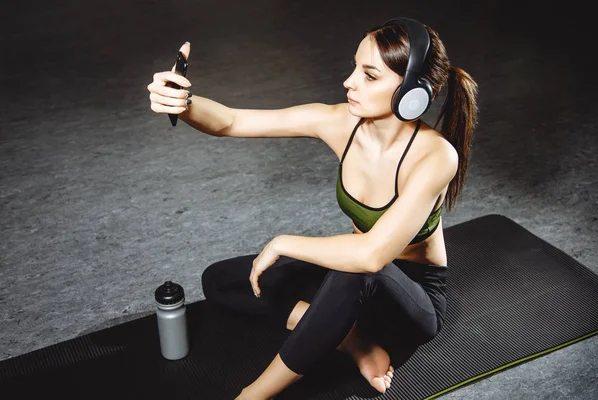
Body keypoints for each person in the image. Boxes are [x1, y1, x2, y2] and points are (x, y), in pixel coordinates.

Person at [147, 17, 478, 400]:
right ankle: (356, 344)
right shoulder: (341, 122)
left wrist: (284, 243)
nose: (349, 82)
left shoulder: (436, 157)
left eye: (369, 76)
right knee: (221, 280)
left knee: (355, 268)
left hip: (411, 302)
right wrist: (184, 104)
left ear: (413, 94)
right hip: (354, 276)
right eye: (355, 67)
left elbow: (371, 257)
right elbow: (232, 121)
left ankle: (252, 395)